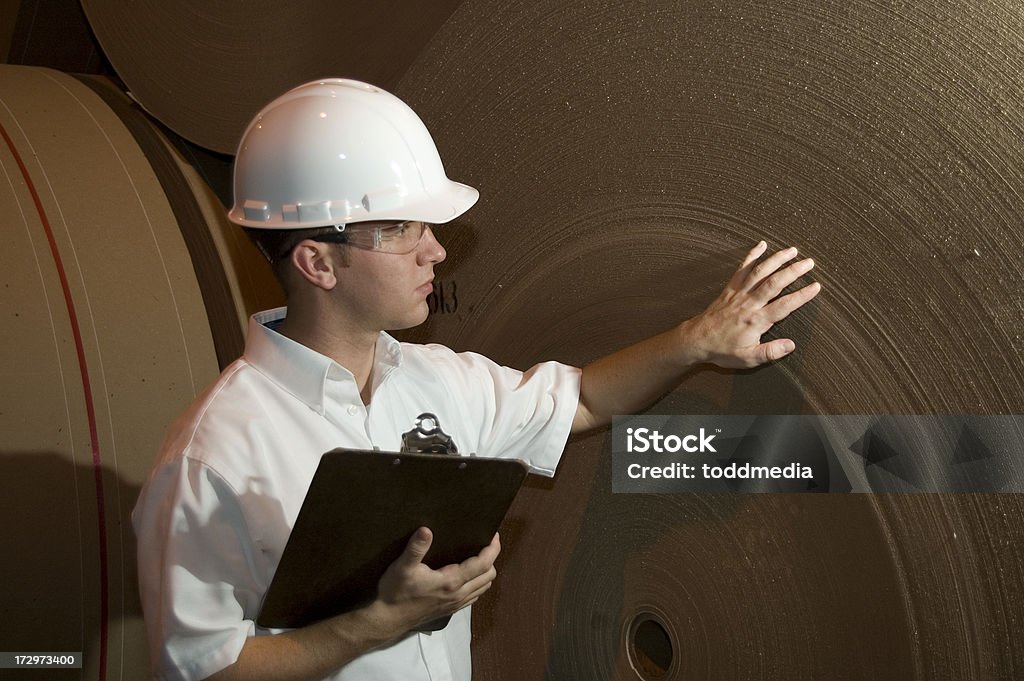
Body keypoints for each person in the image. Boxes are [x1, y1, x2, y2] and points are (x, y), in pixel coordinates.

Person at [132, 78, 820, 681]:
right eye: (402, 228)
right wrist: (379, 622)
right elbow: (201, 666)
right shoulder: (212, 456)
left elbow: (579, 400)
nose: (436, 248)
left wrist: (697, 340)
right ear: (318, 261)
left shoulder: (436, 381)